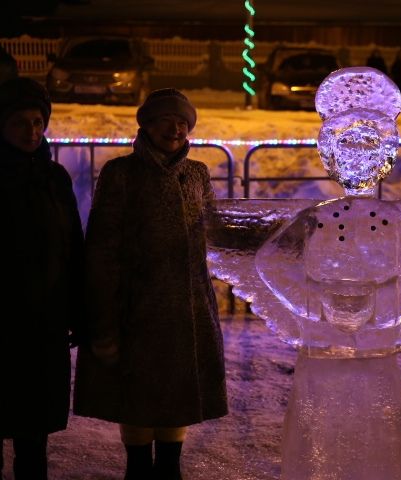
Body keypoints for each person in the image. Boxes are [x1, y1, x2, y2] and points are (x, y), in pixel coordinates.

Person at [73, 88, 228, 480]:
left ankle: (171, 468)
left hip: (187, 307)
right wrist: (103, 320)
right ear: (146, 125)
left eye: (182, 122)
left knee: (179, 393)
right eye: (166, 120)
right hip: (136, 308)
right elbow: (103, 248)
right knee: (138, 397)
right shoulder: (121, 173)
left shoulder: (197, 173)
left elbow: (213, 229)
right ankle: (138, 468)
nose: (175, 129)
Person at [0, 77, 84, 479]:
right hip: (2, 323)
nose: (32, 132)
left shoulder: (55, 178)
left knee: (34, 437)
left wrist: (78, 310)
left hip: (44, 323)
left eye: (38, 122)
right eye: (20, 123)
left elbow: (73, 246)